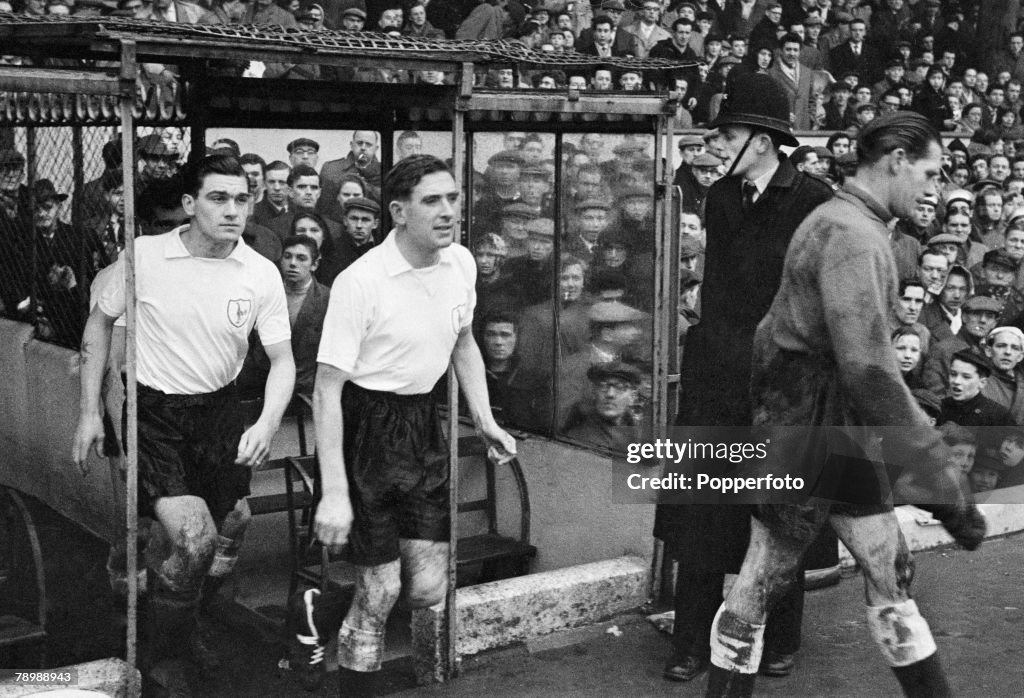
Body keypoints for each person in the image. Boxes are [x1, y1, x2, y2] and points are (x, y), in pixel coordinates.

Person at [706, 111, 984, 697]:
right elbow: (872, 375)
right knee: (764, 576)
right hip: (808, 427)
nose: (933, 189)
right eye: (929, 173)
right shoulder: (851, 236)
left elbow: (783, 339)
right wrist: (943, 487)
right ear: (896, 160)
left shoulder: (849, 223)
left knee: (887, 565)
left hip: (818, 420)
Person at [72, 154, 296, 696]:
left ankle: (186, 615)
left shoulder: (260, 270)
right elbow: (100, 322)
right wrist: (88, 412)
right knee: (193, 541)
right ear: (191, 205)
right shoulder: (145, 257)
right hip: (157, 415)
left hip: (220, 412)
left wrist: (267, 421)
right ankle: (165, 655)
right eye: (219, 198)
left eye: (242, 199)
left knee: (234, 524)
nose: (234, 210)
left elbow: (284, 360)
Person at [310, 155, 515, 697]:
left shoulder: (462, 264)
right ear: (398, 212)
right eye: (432, 201)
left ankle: (317, 608)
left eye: (452, 198)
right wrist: (334, 492)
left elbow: (464, 342)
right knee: (379, 591)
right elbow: (325, 391)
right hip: (365, 429)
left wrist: (486, 419)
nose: (449, 211)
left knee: (426, 587)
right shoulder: (361, 282)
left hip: (422, 424)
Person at [657, 72, 833, 686]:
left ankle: (781, 636)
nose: (714, 145)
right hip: (717, 379)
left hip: (780, 385)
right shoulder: (723, 198)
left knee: (776, 513)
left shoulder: (814, 201)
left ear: (760, 140)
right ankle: (689, 641)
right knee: (702, 514)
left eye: (727, 133)